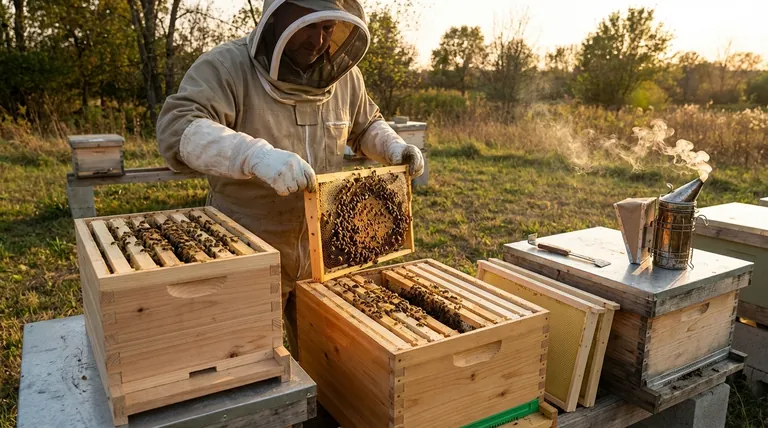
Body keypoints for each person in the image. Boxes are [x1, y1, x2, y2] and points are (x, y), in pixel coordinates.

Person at [156, 0, 424, 355]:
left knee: (328, 358)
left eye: (328, 29)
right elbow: (178, 129)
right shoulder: (225, 67)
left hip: (327, 250)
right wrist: (253, 155)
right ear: (276, 17)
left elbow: (366, 124)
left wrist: (392, 146)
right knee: (248, 360)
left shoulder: (344, 77)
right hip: (247, 244)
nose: (318, 41)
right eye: (309, 26)